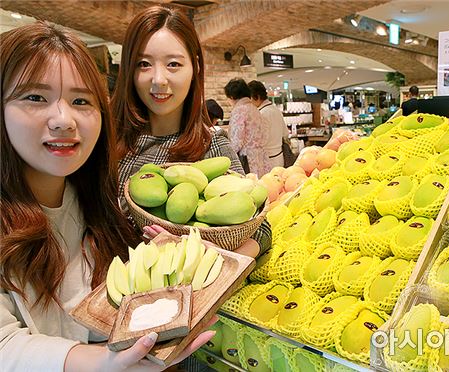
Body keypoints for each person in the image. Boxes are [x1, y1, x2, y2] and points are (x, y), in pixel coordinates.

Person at [0, 22, 216, 371]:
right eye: (35, 97)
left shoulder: (95, 204)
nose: (63, 119)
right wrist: (102, 363)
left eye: (81, 100)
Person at [112, 6, 270, 258]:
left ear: (195, 67)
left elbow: (260, 230)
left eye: (173, 64)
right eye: (143, 64)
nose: (158, 79)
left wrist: (217, 253)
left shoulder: (211, 146)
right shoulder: (108, 141)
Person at [224, 78, 271, 177]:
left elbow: (236, 142)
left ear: (232, 96)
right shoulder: (255, 109)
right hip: (261, 158)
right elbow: (266, 134)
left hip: (247, 161)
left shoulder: (239, 110)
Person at [248, 80, 287, 169]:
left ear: (257, 97)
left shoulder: (260, 114)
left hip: (265, 161)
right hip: (279, 157)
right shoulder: (276, 110)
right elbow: (285, 133)